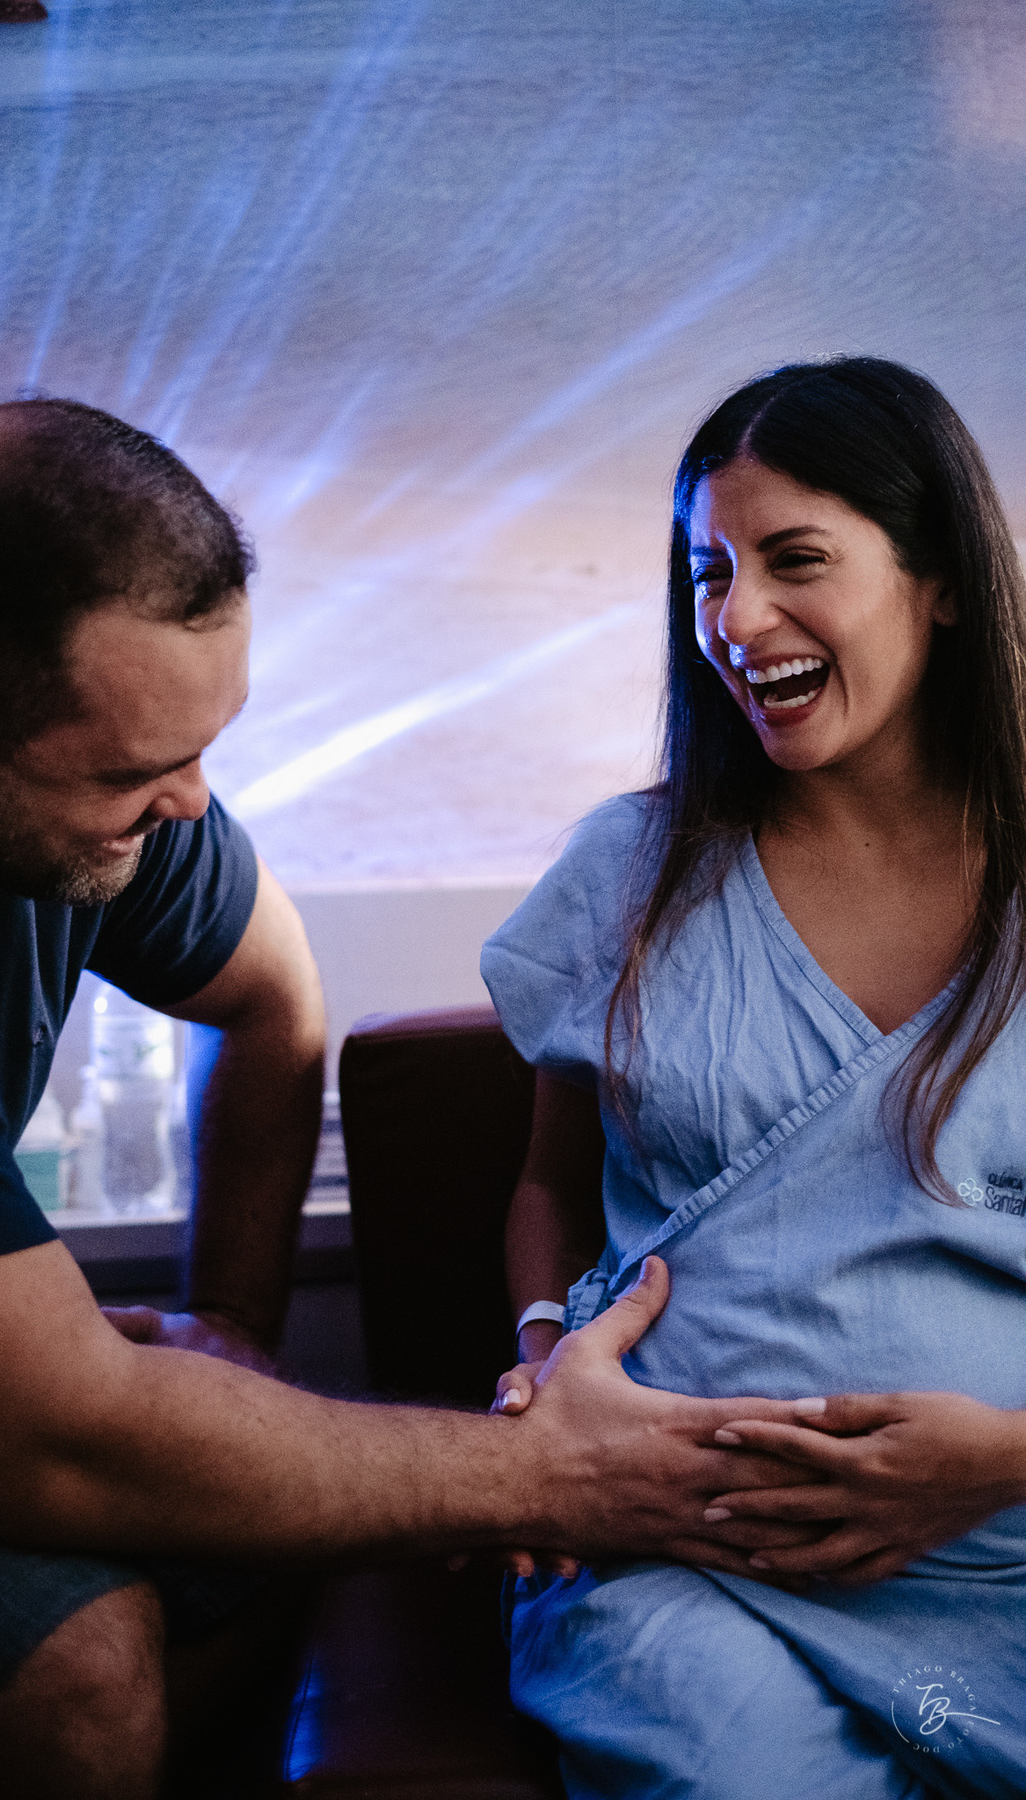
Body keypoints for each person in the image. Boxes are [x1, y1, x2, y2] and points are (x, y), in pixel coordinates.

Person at [0, 398, 816, 1800]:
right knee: (83, 1671)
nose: (192, 805)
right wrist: (565, 1476)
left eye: (204, 746)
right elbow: (43, 1437)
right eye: (138, 770)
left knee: (265, 1509)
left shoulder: (92, 790)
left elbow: (273, 991)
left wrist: (230, 1325)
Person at [483, 357, 1026, 1800]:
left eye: (797, 561)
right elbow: (547, 1176)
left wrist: (1008, 1457)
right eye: (706, 571)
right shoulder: (629, 874)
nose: (733, 619)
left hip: (1008, 1552)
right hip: (683, 1545)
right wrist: (545, 1362)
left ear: (945, 581)